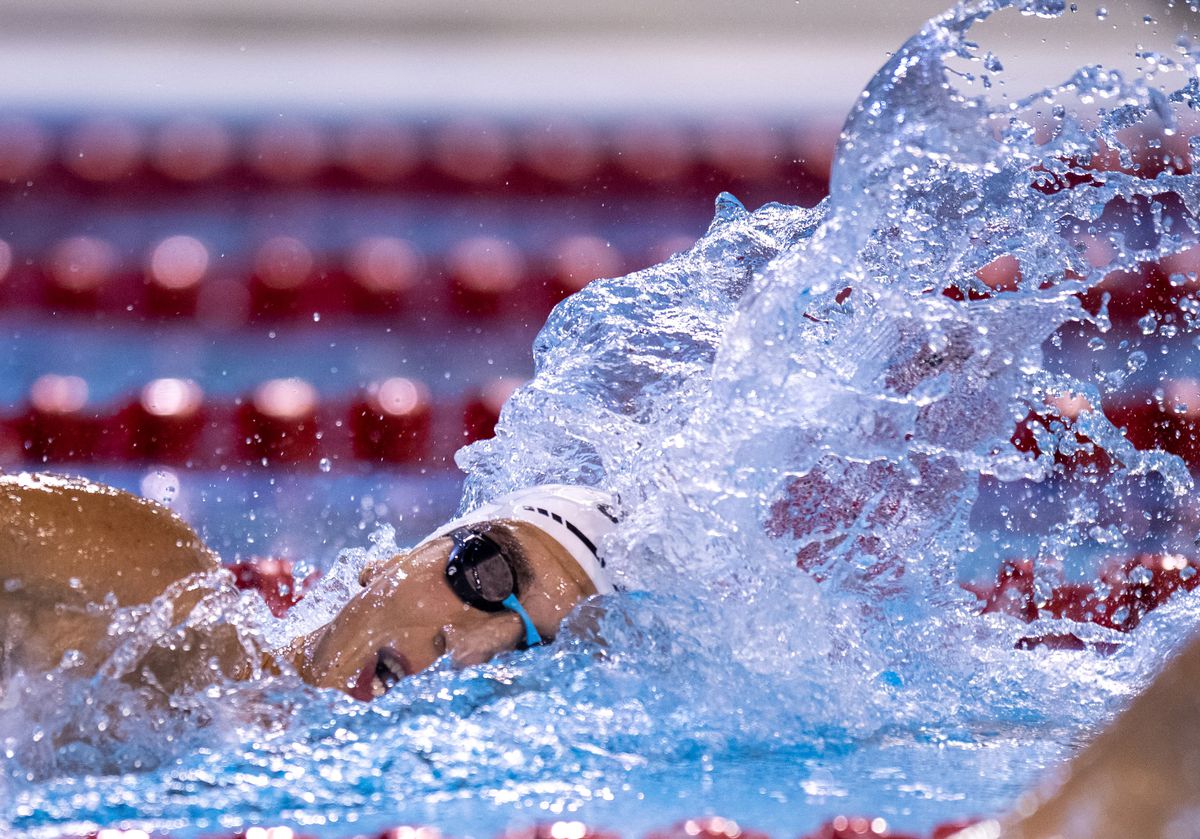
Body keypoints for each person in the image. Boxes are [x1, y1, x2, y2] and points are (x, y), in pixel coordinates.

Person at [0, 471, 619, 701]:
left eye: (530, 649)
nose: (466, 647)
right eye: (487, 577)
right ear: (396, 559)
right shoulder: (147, 587)